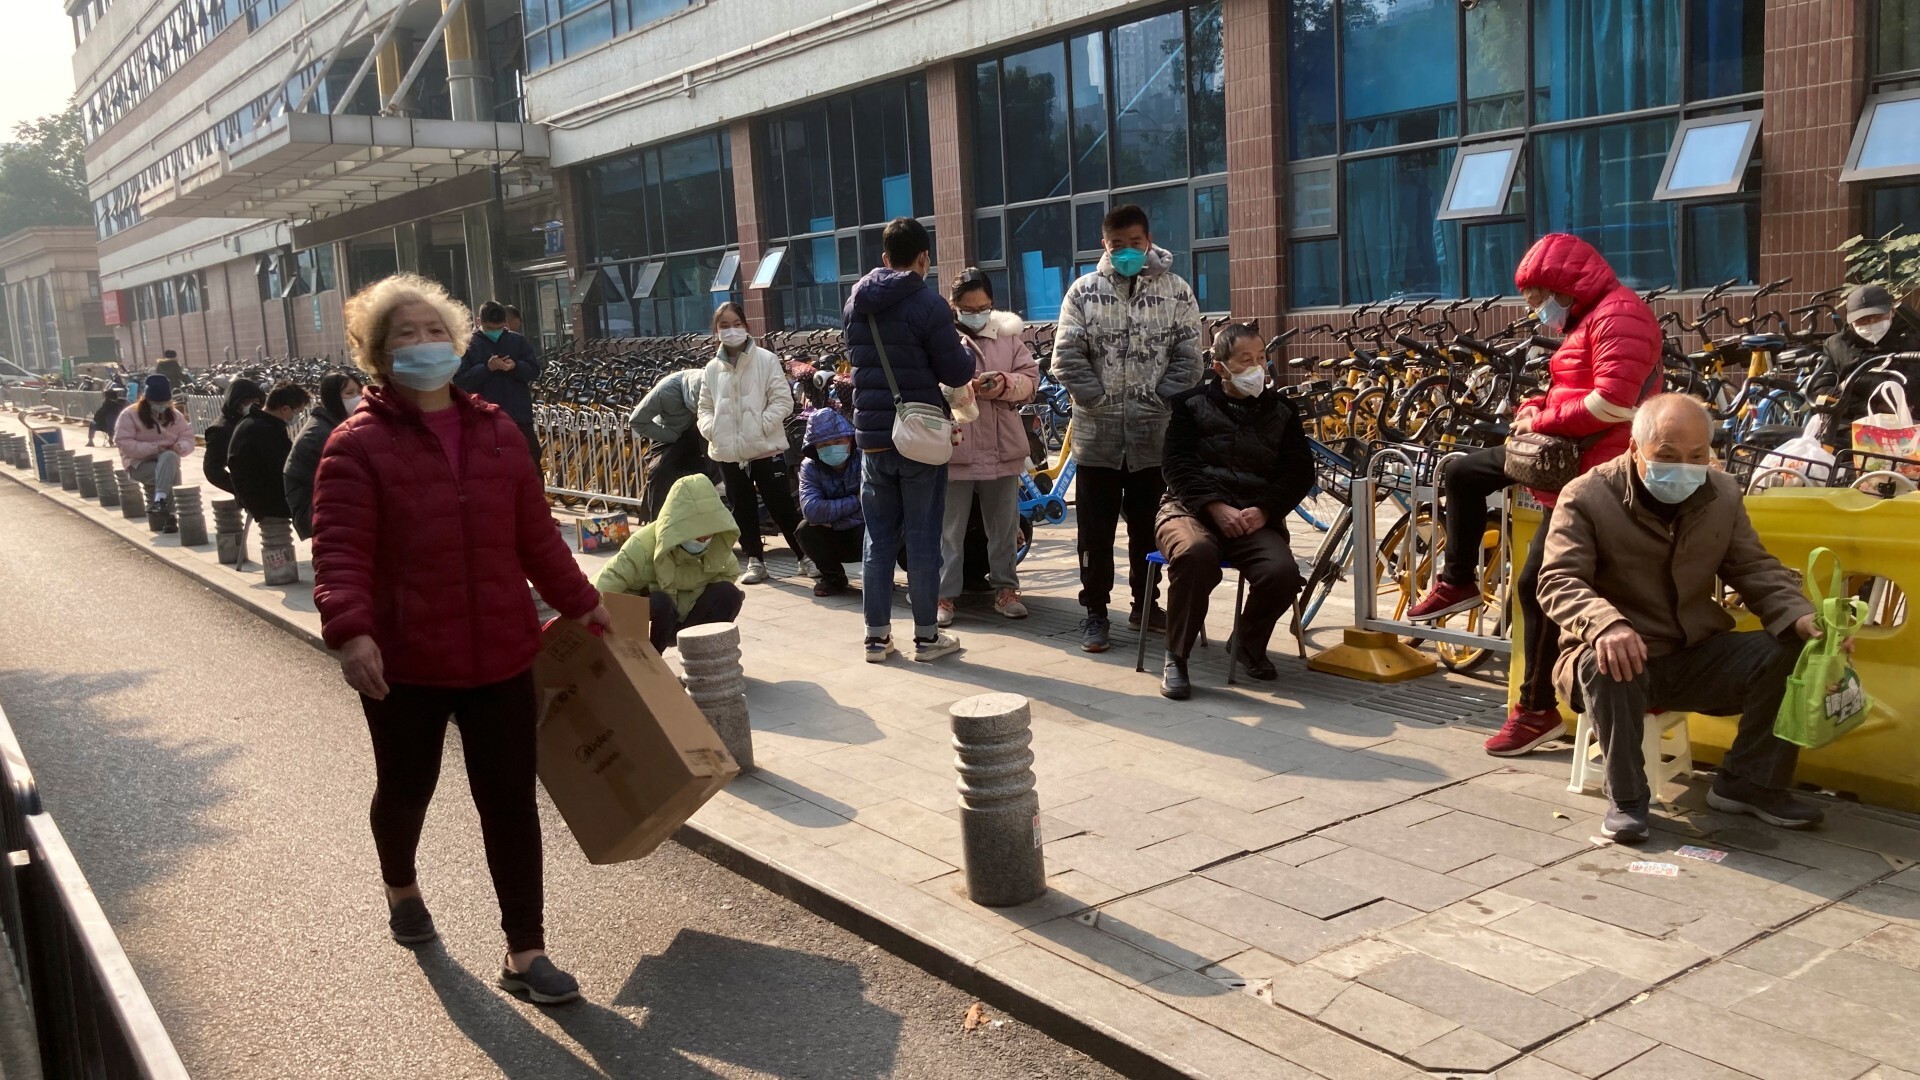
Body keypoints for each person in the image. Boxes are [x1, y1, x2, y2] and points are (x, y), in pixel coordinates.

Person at [312, 273, 609, 1005]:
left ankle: (525, 952)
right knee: (406, 788)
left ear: (457, 342)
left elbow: (535, 537)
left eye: (434, 331)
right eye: (404, 335)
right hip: (407, 660)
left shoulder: (496, 430)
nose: (424, 344)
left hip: (501, 650)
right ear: (377, 354)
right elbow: (341, 550)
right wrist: (352, 632)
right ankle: (401, 887)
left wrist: (585, 604)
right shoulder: (355, 445)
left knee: (510, 801)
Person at [1406, 232, 1662, 756]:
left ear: (1564, 287)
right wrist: (1533, 406)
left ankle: (1536, 710)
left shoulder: (1619, 315)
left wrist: (1541, 420)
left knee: (1539, 584)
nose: (1535, 311)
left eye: (1536, 299)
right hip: (1562, 453)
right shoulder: (1586, 318)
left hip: (1595, 472)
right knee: (1463, 474)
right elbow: (1571, 386)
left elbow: (1614, 403)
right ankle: (1458, 581)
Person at [1539, 395, 1829, 842]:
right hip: (1613, 656)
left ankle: (1749, 782)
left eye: (1697, 456)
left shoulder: (1722, 493)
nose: (1684, 468)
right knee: (1609, 661)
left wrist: (1802, 617)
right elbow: (1559, 580)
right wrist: (1606, 624)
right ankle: (1627, 798)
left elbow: (1753, 568)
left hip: (1693, 651)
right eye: (1668, 455)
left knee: (1795, 648)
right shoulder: (1587, 496)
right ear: (1635, 450)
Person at [1052, 203, 1204, 654]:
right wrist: (1099, 401)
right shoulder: (1083, 292)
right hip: (1096, 440)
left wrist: (1158, 401)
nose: (1126, 252)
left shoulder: (1177, 292)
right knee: (1094, 534)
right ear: (1104, 244)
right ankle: (1096, 613)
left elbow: (1189, 358)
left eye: (1134, 243)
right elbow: (1066, 356)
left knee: (1148, 529)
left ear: (1148, 240)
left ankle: (1146, 605)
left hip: (1153, 438)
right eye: (1117, 244)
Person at [1154, 324, 1314, 700]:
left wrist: (1266, 509)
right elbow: (1176, 466)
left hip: (1253, 517)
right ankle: (1176, 657)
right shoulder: (1189, 405)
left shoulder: (1282, 411)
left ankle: (1246, 643)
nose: (1256, 368)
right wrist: (1214, 506)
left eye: (1261, 358)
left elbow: (1299, 472)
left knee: (1282, 572)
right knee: (1196, 554)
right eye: (1245, 361)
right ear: (1220, 367)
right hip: (1189, 510)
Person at [845, 217, 975, 663]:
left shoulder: (855, 302)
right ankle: (926, 638)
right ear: (924, 258)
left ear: (885, 258)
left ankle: (876, 638)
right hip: (918, 437)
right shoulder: (928, 303)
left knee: (878, 539)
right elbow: (955, 372)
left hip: (873, 438)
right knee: (922, 539)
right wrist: (962, 351)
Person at [939, 269, 1038, 626]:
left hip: (1001, 445)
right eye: (968, 308)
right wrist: (959, 389)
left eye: (983, 307)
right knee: (949, 530)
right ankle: (943, 595)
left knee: (1003, 527)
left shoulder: (1009, 336)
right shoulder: (941, 336)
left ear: (992, 304)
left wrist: (1004, 383)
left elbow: (1031, 380)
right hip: (956, 445)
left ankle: (1006, 589)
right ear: (954, 306)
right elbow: (927, 381)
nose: (976, 314)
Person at [696, 302, 805, 585]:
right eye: (724, 326)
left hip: (765, 448)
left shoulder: (766, 360)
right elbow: (704, 407)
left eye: (736, 324)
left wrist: (759, 426)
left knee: (781, 506)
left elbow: (782, 401)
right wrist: (712, 429)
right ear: (716, 330)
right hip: (728, 452)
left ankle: (806, 557)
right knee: (741, 509)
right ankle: (755, 561)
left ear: (745, 326)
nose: (731, 330)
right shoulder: (712, 368)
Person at [594, 474, 745, 654]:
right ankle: (650, 659)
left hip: (685, 617)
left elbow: (729, 575)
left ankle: (701, 653)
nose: (703, 540)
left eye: (708, 535)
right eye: (697, 535)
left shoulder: (716, 549)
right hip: (652, 616)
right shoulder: (641, 546)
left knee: (729, 594)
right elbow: (604, 585)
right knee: (661, 602)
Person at [455, 299, 544, 468]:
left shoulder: (517, 341)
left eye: (500, 328)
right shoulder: (468, 345)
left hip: (518, 415)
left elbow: (533, 370)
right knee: (491, 464)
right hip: (484, 417)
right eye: (490, 329)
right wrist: (487, 368)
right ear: (479, 322)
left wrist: (515, 367)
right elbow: (461, 380)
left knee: (530, 459)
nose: (495, 332)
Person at [1825, 284, 1920, 427]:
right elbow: (1822, 390)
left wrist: (1850, 384)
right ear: (1850, 320)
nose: (1870, 323)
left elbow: (1912, 385)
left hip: (1909, 424)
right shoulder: (1836, 344)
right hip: (1849, 426)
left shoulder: (1913, 339)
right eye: (1862, 320)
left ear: (1892, 312)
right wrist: (1873, 407)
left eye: (1877, 317)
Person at [285, 372, 364, 540]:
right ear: (332, 398)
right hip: (315, 509)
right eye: (349, 393)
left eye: (359, 392)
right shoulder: (320, 434)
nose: (358, 398)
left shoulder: (333, 424)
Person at [796, 406, 864, 597]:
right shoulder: (809, 467)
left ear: (850, 440)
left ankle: (879, 576)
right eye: (824, 444)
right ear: (815, 448)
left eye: (838, 441)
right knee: (805, 530)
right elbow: (811, 510)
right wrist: (856, 500)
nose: (832, 447)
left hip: (863, 531)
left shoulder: (864, 457)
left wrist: (833, 522)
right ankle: (833, 578)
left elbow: (874, 502)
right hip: (834, 537)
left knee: (879, 523)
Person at [114, 374, 196, 532]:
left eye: (165, 403)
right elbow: (123, 442)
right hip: (138, 463)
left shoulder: (175, 416)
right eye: (157, 403)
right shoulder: (129, 415)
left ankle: (160, 501)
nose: (161, 406)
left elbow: (187, 437)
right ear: (147, 400)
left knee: (170, 457)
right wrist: (154, 448)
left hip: (166, 460)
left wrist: (180, 447)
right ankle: (171, 516)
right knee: (170, 473)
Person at [630, 366, 712, 522]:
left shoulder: (711, 383)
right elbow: (637, 421)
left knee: (718, 470)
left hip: (702, 433)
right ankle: (658, 522)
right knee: (660, 471)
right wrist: (671, 436)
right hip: (671, 436)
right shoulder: (665, 391)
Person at [228, 381, 312, 525]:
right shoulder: (262, 431)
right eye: (298, 412)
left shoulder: (257, 422)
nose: (298, 417)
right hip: (268, 505)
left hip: (264, 499)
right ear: (285, 409)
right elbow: (284, 467)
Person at [202, 378, 266, 495]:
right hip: (253, 495)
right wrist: (242, 489)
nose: (254, 407)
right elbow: (212, 470)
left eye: (256, 403)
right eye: (248, 402)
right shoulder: (220, 430)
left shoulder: (254, 420)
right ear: (236, 402)